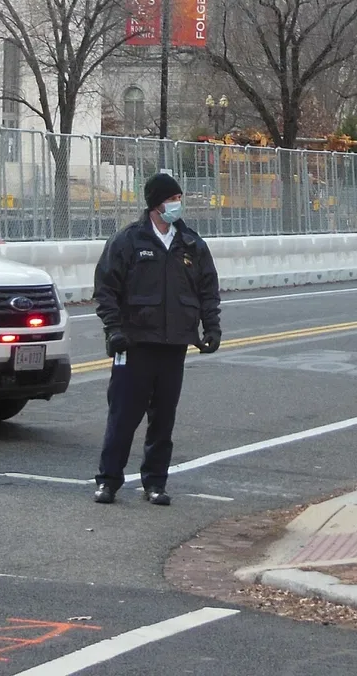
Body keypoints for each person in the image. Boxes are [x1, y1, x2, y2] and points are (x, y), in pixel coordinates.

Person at [92, 172, 221, 507]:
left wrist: (212, 328)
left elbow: (208, 290)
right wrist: (114, 329)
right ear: (156, 204)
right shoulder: (128, 241)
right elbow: (106, 290)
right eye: (172, 199)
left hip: (173, 345)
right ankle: (108, 481)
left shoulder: (191, 244)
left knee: (163, 420)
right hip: (134, 345)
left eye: (178, 199)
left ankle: (155, 483)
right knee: (123, 417)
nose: (177, 204)